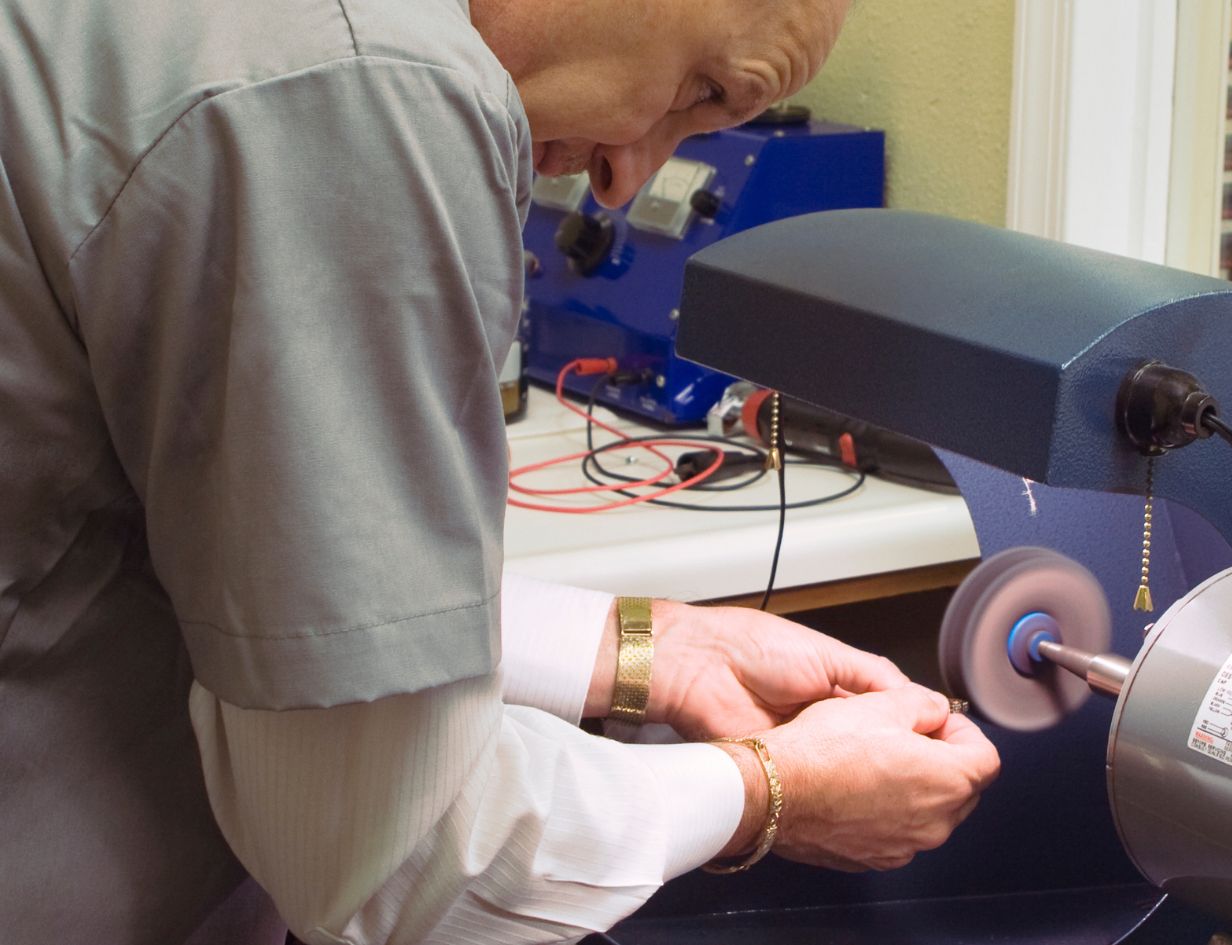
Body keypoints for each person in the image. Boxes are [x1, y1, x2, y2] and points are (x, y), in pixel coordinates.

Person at [0, 0, 1001, 942]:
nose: (622, 184)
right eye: (699, 91)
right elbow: (386, 857)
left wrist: (647, 646)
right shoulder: (361, 89)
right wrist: (769, 793)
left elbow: (251, 562)